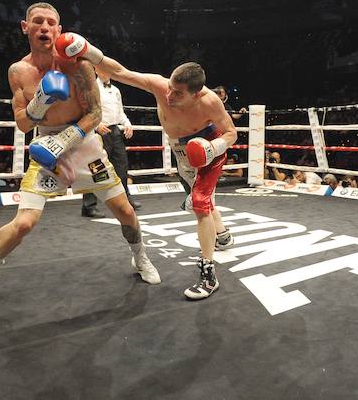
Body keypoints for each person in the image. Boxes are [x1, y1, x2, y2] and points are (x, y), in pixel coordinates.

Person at [0, 3, 160, 313]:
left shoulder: (78, 65)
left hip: (84, 144)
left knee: (124, 210)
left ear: (59, 29)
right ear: (24, 27)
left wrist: (66, 138)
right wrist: (39, 103)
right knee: (25, 223)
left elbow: (95, 113)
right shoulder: (18, 71)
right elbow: (23, 123)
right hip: (45, 146)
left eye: (51, 23)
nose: (45, 27)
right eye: (37, 21)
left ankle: (140, 255)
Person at [57, 32, 235, 301]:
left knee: (199, 202)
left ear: (197, 94)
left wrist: (212, 148)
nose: (170, 95)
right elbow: (118, 71)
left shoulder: (210, 102)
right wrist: (88, 51)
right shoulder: (160, 86)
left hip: (208, 147)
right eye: (170, 88)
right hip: (180, 150)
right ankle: (222, 236)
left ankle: (208, 274)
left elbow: (231, 133)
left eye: (178, 93)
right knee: (203, 201)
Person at [82, 68, 140, 217]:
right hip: (98, 131)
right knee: (96, 167)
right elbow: (86, 110)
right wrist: (96, 125)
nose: (107, 72)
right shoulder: (91, 88)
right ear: (96, 70)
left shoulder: (115, 90)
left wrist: (127, 124)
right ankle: (88, 206)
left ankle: (126, 200)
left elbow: (120, 112)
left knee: (122, 166)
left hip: (115, 131)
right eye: (103, 68)